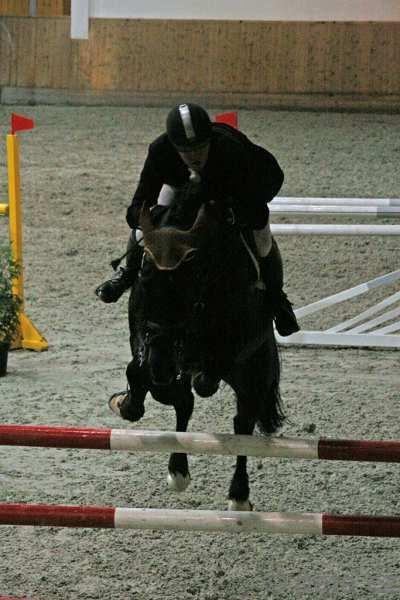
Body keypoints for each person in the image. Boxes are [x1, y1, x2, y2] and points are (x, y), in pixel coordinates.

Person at [96, 103, 299, 340]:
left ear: (210, 138)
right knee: (143, 230)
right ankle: (128, 273)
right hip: (180, 188)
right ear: (174, 146)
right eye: (186, 150)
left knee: (261, 236)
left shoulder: (229, 148)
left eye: (201, 147)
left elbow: (262, 190)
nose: (194, 156)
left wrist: (233, 211)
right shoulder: (160, 150)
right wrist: (151, 218)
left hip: (232, 190)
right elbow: (138, 204)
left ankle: (276, 298)